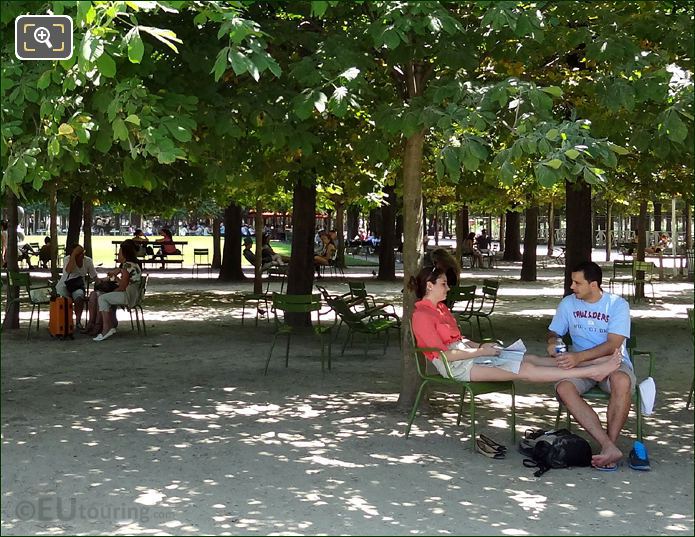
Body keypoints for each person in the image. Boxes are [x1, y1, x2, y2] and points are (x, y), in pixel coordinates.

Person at [410, 265, 621, 408]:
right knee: (525, 370)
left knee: (529, 358)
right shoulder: (422, 314)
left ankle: (594, 362)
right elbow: (444, 355)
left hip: (467, 355)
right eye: (444, 283)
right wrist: (481, 351)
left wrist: (484, 346)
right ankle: (594, 370)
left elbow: (459, 340)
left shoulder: (440, 309)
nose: (448, 287)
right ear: (430, 286)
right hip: (455, 366)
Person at [546, 261, 633, 470]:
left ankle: (608, 447)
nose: (572, 287)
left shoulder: (617, 305)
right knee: (564, 387)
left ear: (593, 285)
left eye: (577, 283)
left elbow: (614, 344)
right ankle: (608, 446)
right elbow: (554, 331)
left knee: (622, 381)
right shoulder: (568, 303)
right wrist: (553, 342)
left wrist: (578, 358)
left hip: (612, 362)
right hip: (580, 366)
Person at [93, 240, 143, 341]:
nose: (118, 255)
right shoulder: (135, 264)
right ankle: (110, 325)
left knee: (102, 298)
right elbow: (126, 283)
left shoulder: (126, 266)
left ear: (124, 254)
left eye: (120, 252)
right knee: (106, 298)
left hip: (129, 296)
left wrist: (114, 284)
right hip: (135, 295)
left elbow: (122, 286)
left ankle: (106, 329)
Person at [55, 244, 99, 329]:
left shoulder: (88, 261)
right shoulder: (67, 259)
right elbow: (69, 270)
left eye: (83, 252)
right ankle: (65, 322)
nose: (83, 255)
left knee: (79, 297)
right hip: (65, 284)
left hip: (77, 285)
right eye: (80, 253)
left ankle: (78, 321)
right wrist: (74, 256)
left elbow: (94, 276)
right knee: (63, 300)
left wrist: (101, 283)